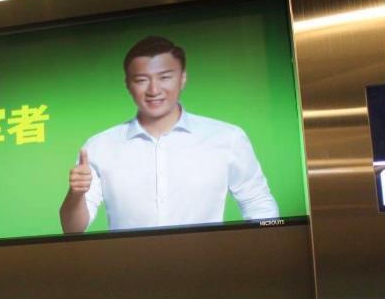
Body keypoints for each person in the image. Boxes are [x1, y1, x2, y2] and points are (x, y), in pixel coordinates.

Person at [59, 35, 278, 233]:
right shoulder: (100, 146)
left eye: (164, 77)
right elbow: (72, 229)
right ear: (128, 84)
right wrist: (76, 194)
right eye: (141, 80)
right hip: (127, 264)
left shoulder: (227, 137)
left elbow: (258, 203)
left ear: (182, 78)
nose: (154, 90)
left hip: (208, 262)